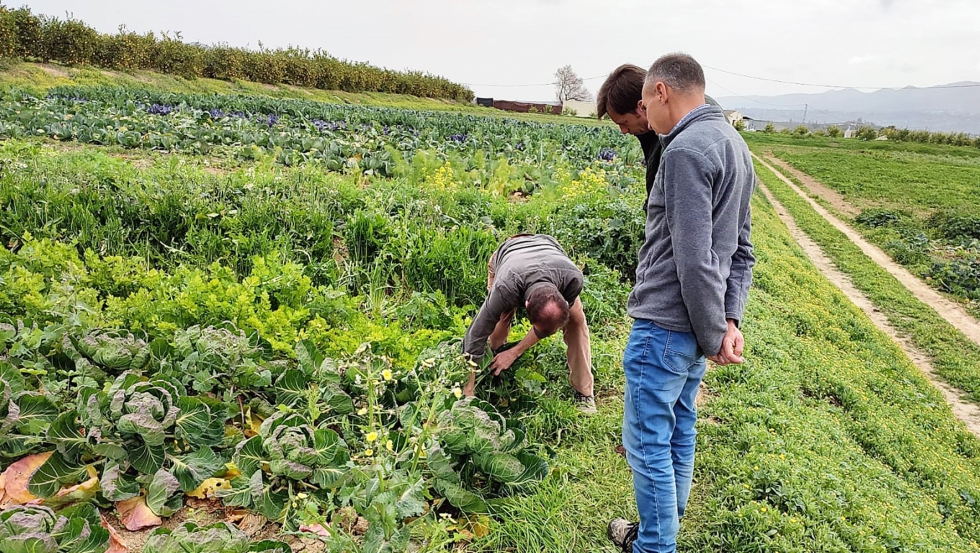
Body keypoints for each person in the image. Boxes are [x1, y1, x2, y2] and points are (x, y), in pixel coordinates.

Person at [607, 53, 756, 553]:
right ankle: (663, 527)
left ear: (662, 92)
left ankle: (654, 545)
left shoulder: (686, 150)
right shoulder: (734, 144)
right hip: (692, 325)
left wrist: (717, 332)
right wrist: (728, 318)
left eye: (646, 101)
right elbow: (740, 247)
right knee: (679, 427)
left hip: (666, 323)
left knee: (647, 440)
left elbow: (694, 260)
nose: (645, 115)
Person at [461, 234, 596, 415]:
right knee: (500, 318)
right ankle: (493, 365)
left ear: (562, 297)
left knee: (577, 322)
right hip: (508, 258)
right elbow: (476, 335)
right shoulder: (505, 288)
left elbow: (549, 325)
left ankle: (584, 393)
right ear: (526, 306)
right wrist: (467, 390)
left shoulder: (572, 280)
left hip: (549, 252)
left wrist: (515, 352)